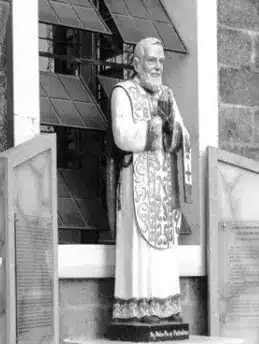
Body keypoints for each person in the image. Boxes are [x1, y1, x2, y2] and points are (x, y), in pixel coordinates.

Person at [106, 37, 193, 324]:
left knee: (165, 245)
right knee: (140, 245)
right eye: (152, 60)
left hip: (164, 181)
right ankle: (140, 306)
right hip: (136, 180)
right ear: (136, 63)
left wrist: (172, 129)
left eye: (161, 61)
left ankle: (165, 304)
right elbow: (121, 135)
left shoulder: (166, 94)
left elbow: (183, 133)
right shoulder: (123, 92)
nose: (158, 66)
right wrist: (155, 127)